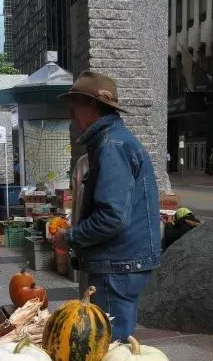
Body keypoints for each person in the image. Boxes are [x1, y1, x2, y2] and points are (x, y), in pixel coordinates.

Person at [53, 71, 160, 340]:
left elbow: (112, 216)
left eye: (74, 105)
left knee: (111, 347)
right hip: (122, 260)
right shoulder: (113, 139)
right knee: (114, 343)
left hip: (117, 263)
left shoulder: (111, 145)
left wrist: (71, 237)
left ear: (93, 106)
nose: (71, 114)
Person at [70, 153, 89, 296]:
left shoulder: (123, 156)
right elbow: (76, 208)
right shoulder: (83, 162)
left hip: (117, 256)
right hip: (87, 249)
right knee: (86, 305)